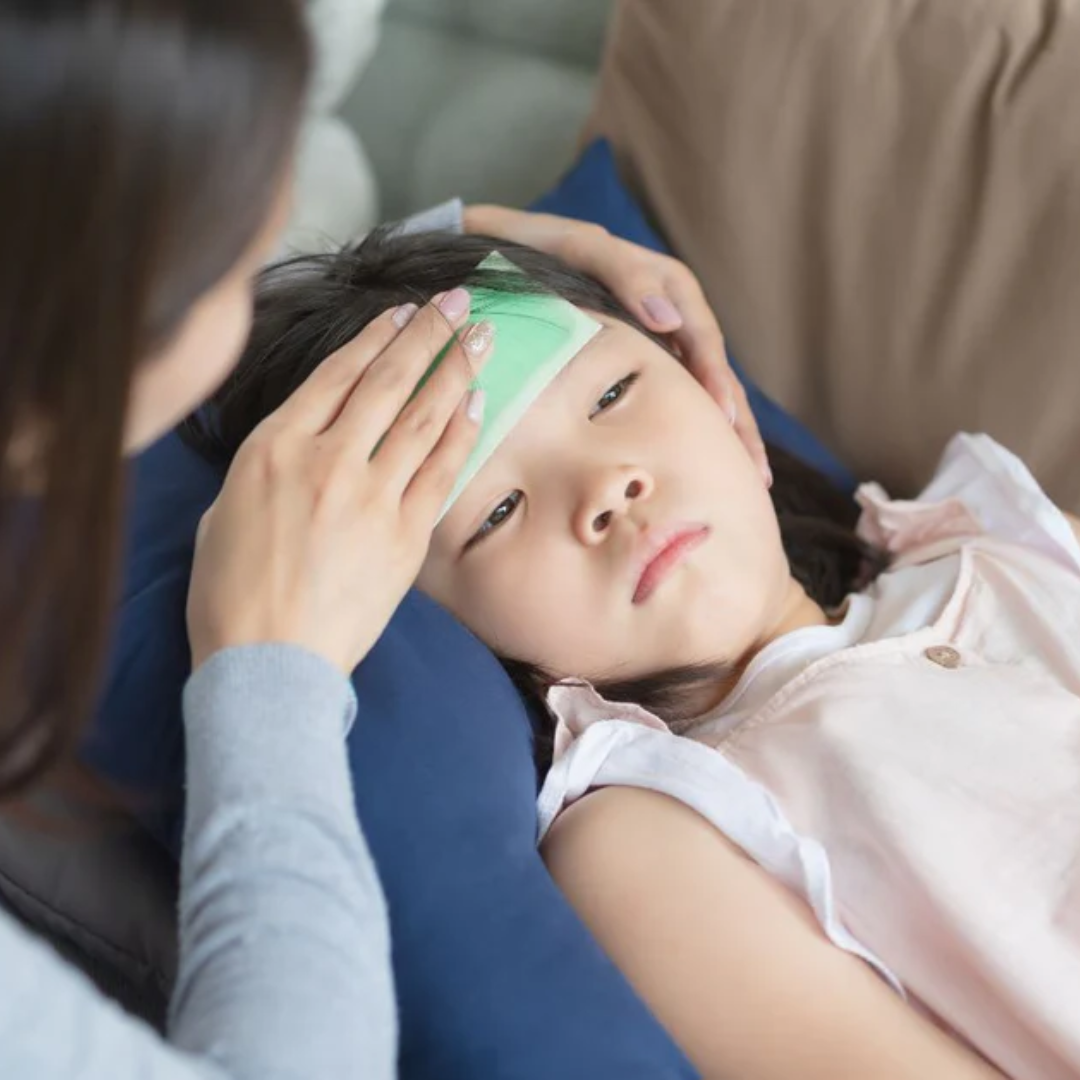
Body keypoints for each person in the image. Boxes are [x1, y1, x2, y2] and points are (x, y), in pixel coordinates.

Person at [0, 3, 761, 1077]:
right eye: (231, 251)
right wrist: (271, 674)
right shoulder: (643, 844)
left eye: (612, 387)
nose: (278, 238)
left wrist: (442, 259)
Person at [192, 227, 1080, 1080]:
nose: (607, 486)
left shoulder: (1001, 543)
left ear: (716, 395)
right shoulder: (652, 835)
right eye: (497, 513)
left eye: (611, 395)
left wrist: (476, 237)